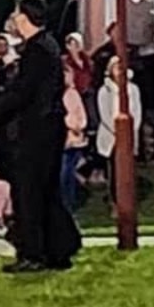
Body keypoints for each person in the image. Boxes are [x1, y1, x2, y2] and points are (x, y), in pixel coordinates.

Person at [0, 0, 81, 273]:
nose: (14, 19)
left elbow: (19, 93)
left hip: (37, 131)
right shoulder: (46, 45)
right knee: (46, 191)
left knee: (29, 192)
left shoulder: (37, 51)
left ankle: (34, 254)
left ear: (24, 17)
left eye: (16, 14)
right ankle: (59, 248)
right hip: (49, 128)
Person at [96, 56, 142, 183]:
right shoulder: (104, 91)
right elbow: (104, 114)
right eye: (115, 68)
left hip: (129, 132)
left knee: (128, 165)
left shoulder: (133, 89)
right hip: (112, 133)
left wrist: (133, 129)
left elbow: (137, 110)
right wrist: (117, 130)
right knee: (113, 167)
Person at [60, 65, 89, 212]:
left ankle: (69, 204)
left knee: (69, 173)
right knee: (62, 174)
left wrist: (80, 126)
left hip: (75, 139)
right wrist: (70, 124)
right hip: (61, 140)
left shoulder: (73, 94)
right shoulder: (53, 94)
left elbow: (81, 113)